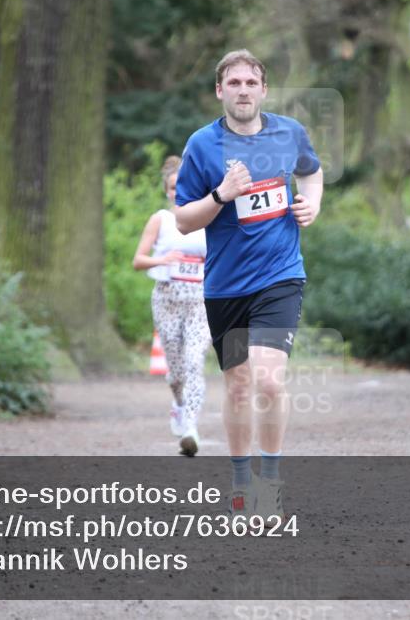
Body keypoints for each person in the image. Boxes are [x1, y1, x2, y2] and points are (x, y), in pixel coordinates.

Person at [174, 49, 323, 520]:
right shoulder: (202, 145)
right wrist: (221, 195)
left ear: (263, 90)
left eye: (250, 83)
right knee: (238, 387)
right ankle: (240, 481)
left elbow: (311, 171)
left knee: (269, 380)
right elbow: (182, 220)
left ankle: (271, 482)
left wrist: (311, 204)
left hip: (280, 275)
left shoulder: (288, 133)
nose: (242, 90)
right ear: (220, 91)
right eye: (233, 83)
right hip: (224, 285)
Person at [133, 156, 211, 456]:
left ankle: (190, 427)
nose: (179, 191)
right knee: (176, 372)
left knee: (194, 363)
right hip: (166, 299)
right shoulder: (161, 220)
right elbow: (138, 260)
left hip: (200, 302)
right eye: (173, 187)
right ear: (167, 191)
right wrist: (162, 260)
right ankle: (178, 405)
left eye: (184, 186)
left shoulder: (209, 220)